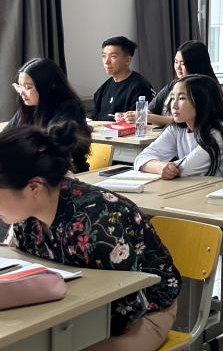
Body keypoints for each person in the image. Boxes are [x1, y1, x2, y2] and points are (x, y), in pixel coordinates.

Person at [0, 123, 181, 350]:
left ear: (33, 187)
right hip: (70, 307)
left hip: (143, 313)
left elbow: (127, 309)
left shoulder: (98, 222)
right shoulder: (26, 215)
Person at [134, 74, 223, 178]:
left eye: (182, 98)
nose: (174, 105)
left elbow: (184, 170)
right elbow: (140, 159)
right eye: (173, 98)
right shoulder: (177, 128)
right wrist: (160, 167)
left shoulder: (222, 132)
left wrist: (162, 166)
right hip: (202, 189)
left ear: (202, 102)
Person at [7, 58, 91, 173]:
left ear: (48, 86)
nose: (21, 92)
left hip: (65, 174)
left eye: (28, 87)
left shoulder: (69, 108)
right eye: (20, 86)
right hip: (33, 172)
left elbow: (51, 147)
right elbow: (6, 136)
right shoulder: (29, 107)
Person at [144, 41, 219, 126]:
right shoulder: (174, 85)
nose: (178, 67)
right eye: (176, 62)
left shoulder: (206, 89)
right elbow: (150, 110)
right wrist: (140, 116)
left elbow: (184, 121)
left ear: (195, 64)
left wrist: (147, 117)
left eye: (183, 63)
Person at [92, 36, 154, 121]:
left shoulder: (140, 87)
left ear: (127, 60)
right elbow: (94, 119)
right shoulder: (102, 89)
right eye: (104, 56)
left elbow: (142, 121)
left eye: (113, 56)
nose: (106, 61)